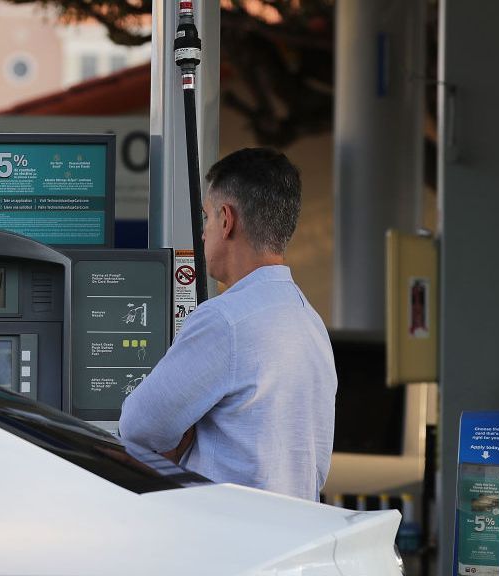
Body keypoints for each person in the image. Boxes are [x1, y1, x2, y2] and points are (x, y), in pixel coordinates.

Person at [118, 147, 336, 501]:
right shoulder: (311, 324)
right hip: (293, 539)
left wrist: (183, 437)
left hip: (228, 543)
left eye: (205, 218)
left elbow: (138, 426)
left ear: (226, 219)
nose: (203, 233)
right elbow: (316, 465)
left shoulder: (225, 320)